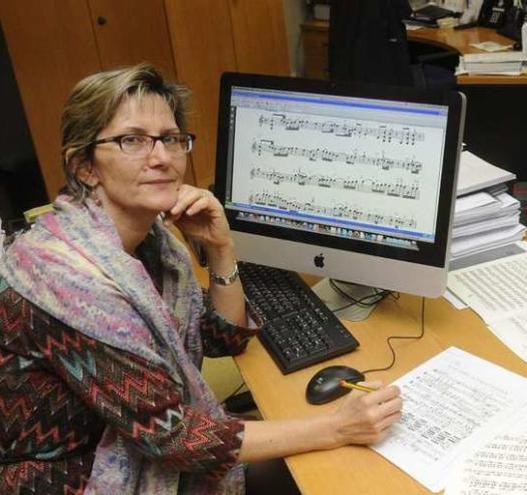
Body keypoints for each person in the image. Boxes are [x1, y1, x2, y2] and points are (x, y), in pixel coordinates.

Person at [0, 64, 403, 494]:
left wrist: (220, 247)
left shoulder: (155, 244)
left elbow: (222, 340)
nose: (162, 157)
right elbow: (171, 437)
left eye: (171, 139)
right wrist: (334, 428)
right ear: (85, 167)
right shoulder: (68, 282)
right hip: (73, 475)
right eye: (132, 140)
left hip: (137, 440)